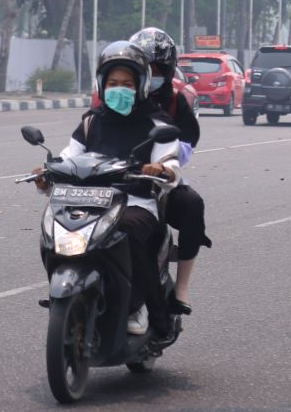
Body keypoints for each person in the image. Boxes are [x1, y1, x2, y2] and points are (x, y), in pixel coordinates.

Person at [32, 41, 180, 337]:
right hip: (89, 201)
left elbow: (171, 165)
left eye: (127, 83)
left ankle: (139, 306)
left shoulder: (156, 122)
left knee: (128, 234)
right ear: (102, 84)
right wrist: (46, 173)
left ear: (141, 85)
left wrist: (160, 169)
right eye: (113, 83)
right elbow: (69, 157)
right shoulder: (91, 122)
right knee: (52, 231)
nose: (119, 89)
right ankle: (68, 293)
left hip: (136, 203)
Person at [129, 27, 211, 316]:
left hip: (158, 179)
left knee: (192, 205)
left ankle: (182, 287)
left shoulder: (176, 101)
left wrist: (164, 163)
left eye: (157, 69)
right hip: (114, 178)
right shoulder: (116, 97)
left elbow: (187, 142)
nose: (151, 74)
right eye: (144, 68)